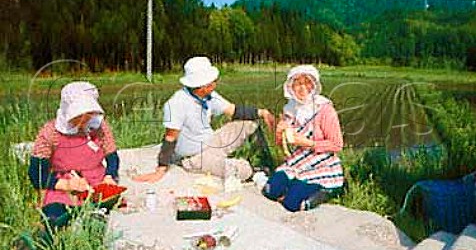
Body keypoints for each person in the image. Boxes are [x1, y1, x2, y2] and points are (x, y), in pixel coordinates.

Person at [134, 56, 275, 183]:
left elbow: (233, 111)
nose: (215, 84)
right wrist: (161, 169)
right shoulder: (176, 104)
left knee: (250, 124)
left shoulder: (210, 96)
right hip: (194, 157)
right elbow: (170, 138)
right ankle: (256, 172)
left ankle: (266, 162)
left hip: (211, 141)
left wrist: (262, 112)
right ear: (202, 86)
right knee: (239, 168)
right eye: (212, 82)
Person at [28, 81, 120, 233]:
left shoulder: (100, 127)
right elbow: (36, 174)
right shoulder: (51, 132)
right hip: (62, 185)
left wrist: (110, 176)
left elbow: (112, 156)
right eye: (79, 115)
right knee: (53, 218)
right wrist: (67, 185)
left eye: (88, 113)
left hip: (96, 183)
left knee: (99, 220)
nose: (84, 119)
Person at [262, 65, 345, 212]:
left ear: (314, 85)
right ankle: (294, 186)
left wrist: (306, 142)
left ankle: (330, 190)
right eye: (297, 83)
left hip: (321, 162)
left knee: (292, 204)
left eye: (307, 83)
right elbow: (282, 144)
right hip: (297, 160)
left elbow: (337, 145)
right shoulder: (290, 108)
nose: (302, 88)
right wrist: (279, 132)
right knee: (270, 190)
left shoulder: (324, 109)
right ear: (290, 87)